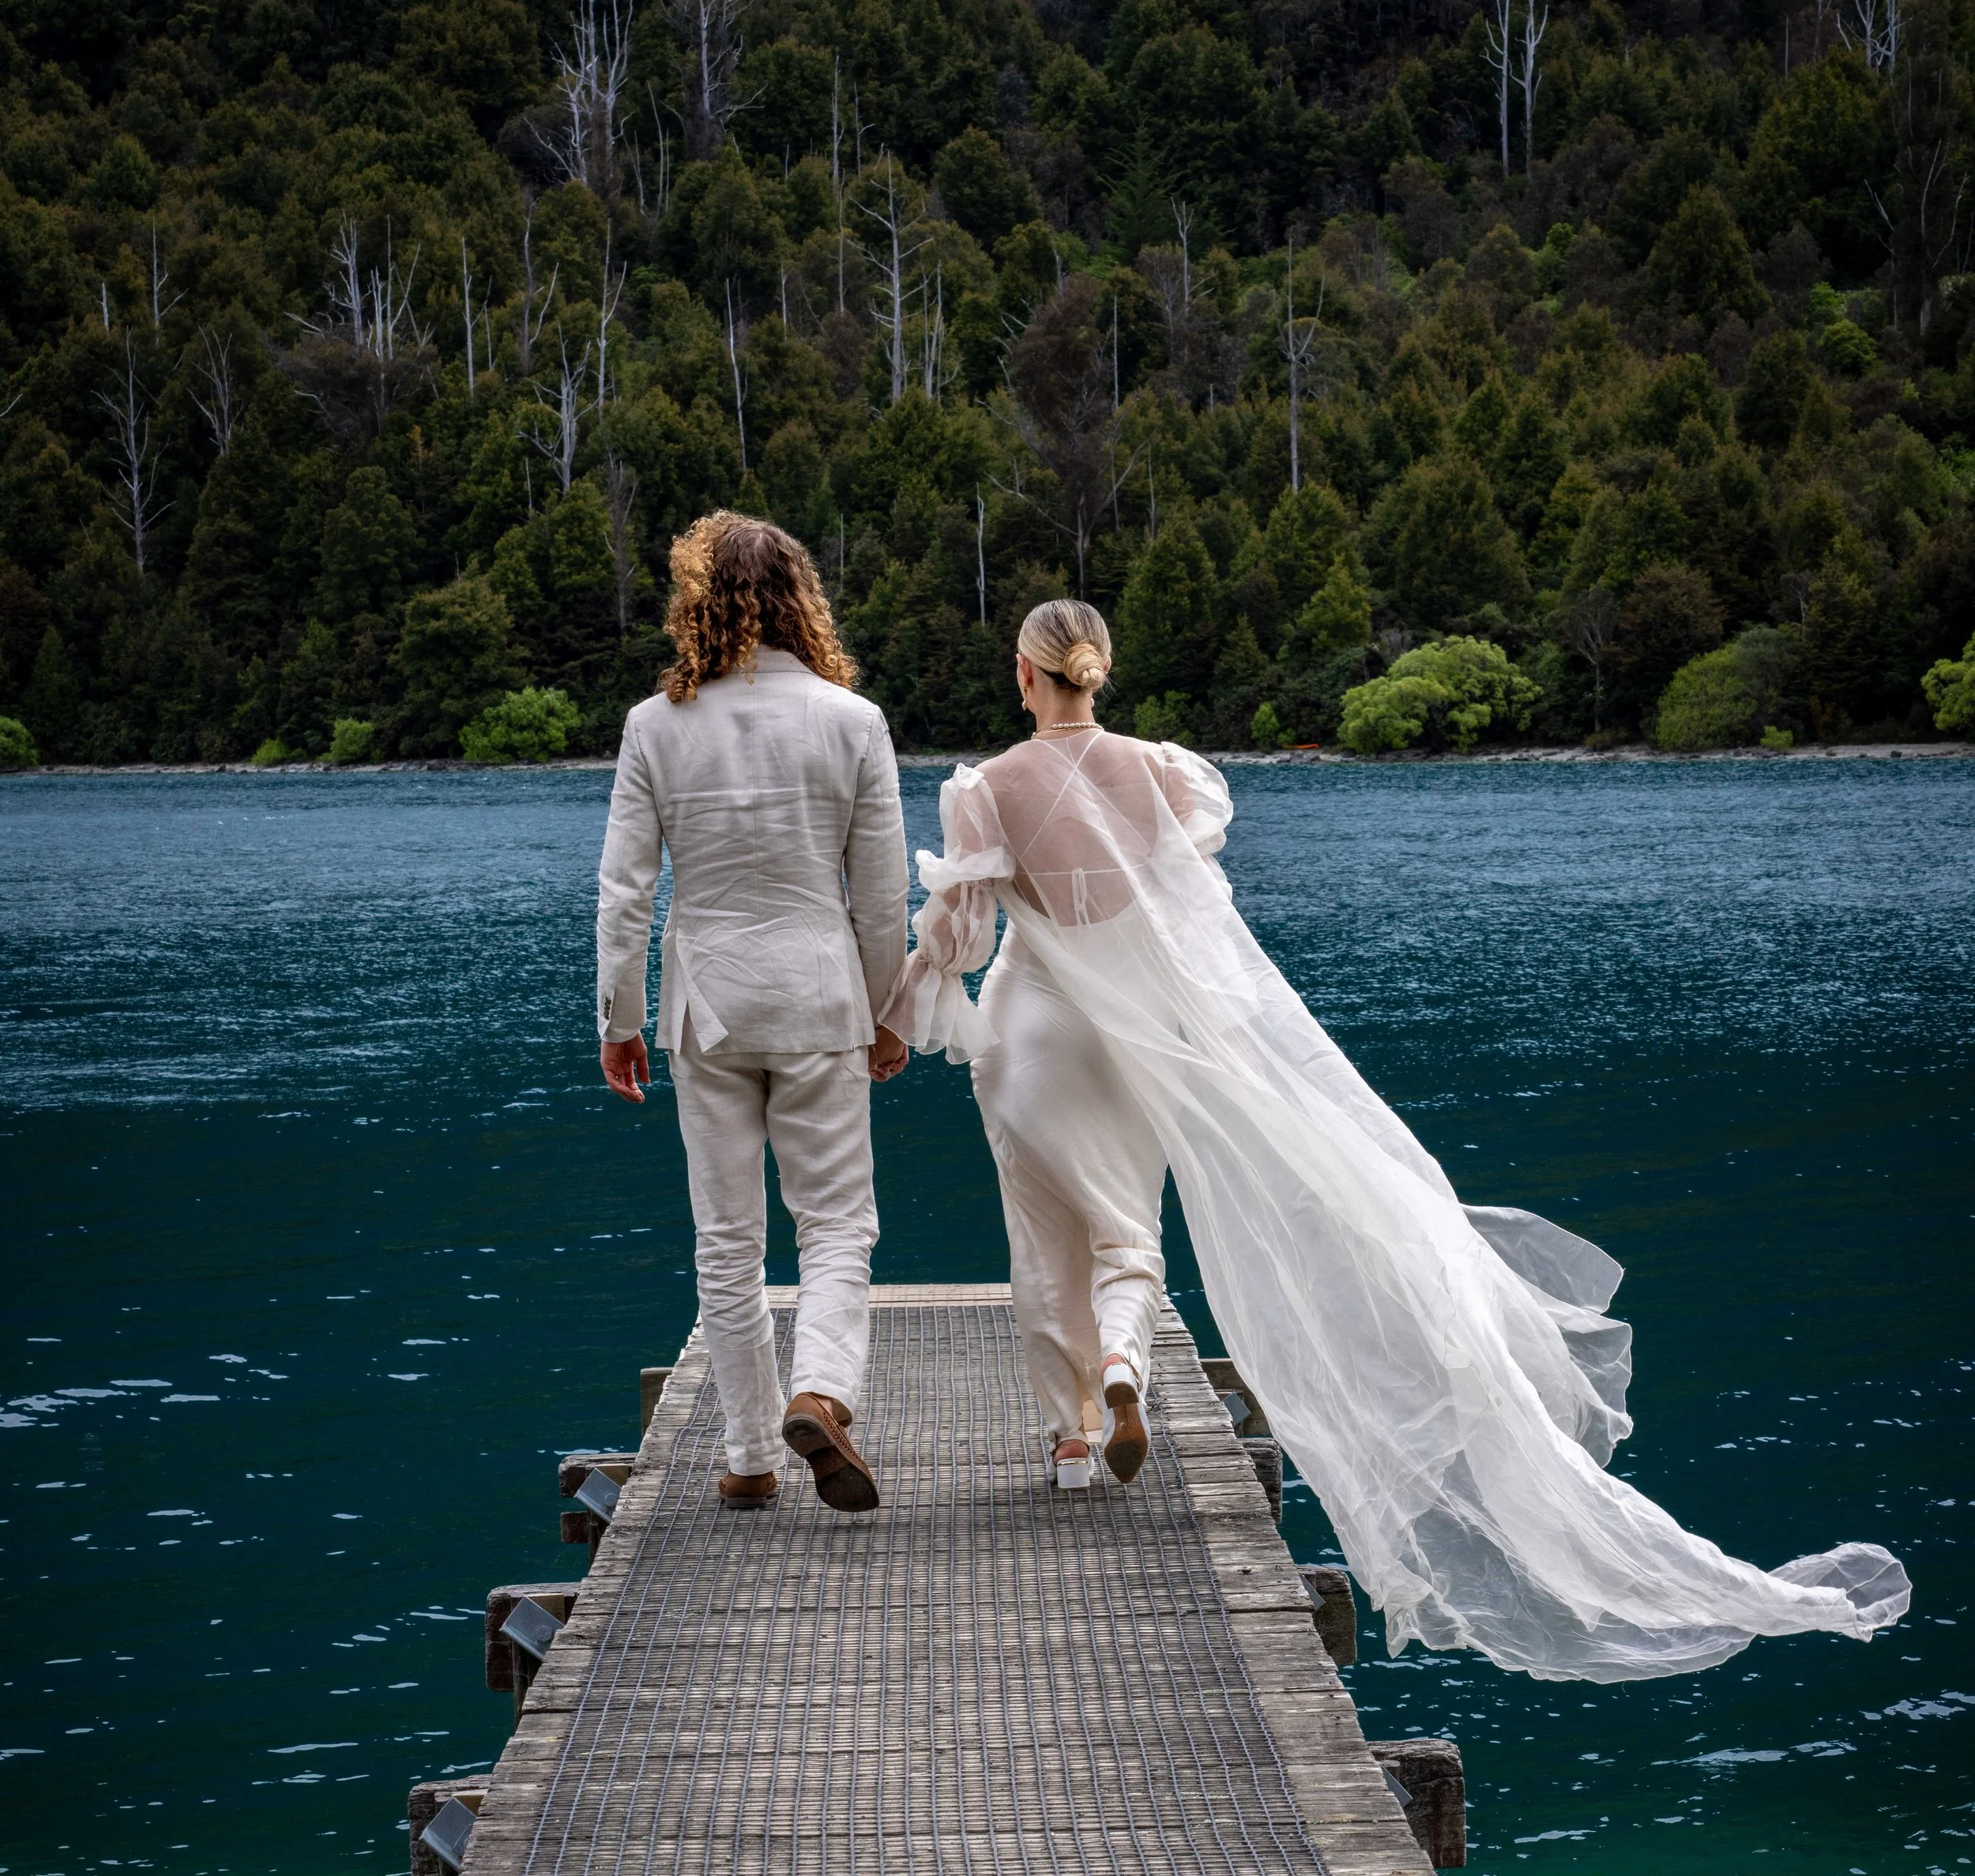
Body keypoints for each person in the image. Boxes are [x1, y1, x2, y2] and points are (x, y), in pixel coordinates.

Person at [883, 596, 1912, 1682]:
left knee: (1044, 1238)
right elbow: (1194, 926)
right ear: (1100, 673)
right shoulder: (1167, 775)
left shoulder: (986, 788)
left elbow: (956, 935)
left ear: (1023, 675)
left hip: (1034, 1032)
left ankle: (1067, 1445)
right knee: (1129, 1231)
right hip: (1139, 1037)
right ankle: (1129, 1370)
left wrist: (898, 1014)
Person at [597, 513, 910, 1513]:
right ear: (798, 598)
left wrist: (620, 1016)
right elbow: (880, 892)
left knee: (727, 1239)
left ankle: (747, 1458)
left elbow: (624, 890)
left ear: (698, 603)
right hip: (821, 996)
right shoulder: (850, 721)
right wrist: (887, 1009)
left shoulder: (656, 724)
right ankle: (820, 1390)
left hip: (708, 1007)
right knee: (834, 1225)